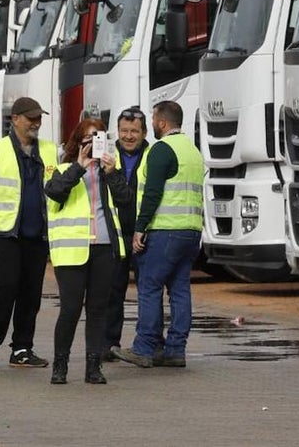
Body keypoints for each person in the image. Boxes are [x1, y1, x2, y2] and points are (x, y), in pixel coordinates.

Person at [0, 96, 56, 369]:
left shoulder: (49, 150)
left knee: (31, 294)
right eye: (31, 118)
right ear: (15, 119)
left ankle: (22, 348)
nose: (36, 123)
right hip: (8, 234)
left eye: (39, 118)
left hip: (38, 235)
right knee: (7, 287)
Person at [120, 100, 204, 370]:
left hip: (164, 230)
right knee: (180, 290)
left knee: (150, 287)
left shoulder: (161, 149)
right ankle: (175, 350)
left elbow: (153, 193)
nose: (153, 123)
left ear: (162, 122)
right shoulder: (192, 151)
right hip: (190, 232)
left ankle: (144, 348)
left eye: (154, 119)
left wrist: (139, 228)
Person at [44, 118, 127, 384]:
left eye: (99, 137)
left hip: (103, 247)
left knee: (98, 309)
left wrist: (112, 173)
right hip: (71, 250)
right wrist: (79, 167)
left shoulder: (110, 169)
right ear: (78, 141)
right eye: (89, 139)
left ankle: (93, 367)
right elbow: (54, 192)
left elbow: (126, 200)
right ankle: (60, 365)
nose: (94, 144)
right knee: (70, 309)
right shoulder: (62, 167)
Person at [105, 106, 148, 361]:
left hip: (144, 235)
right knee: (112, 292)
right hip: (116, 234)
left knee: (148, 293)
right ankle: (108, 344)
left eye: (134, 131)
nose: (129, 136)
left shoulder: (153, 155)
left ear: (144, 133)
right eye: (124, 131)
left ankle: (149, 343)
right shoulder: (108, 155)